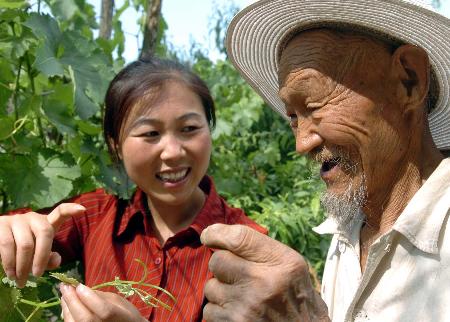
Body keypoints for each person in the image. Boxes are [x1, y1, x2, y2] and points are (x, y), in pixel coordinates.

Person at [200, 0, 450, 321]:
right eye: (293, 117)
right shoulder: (348, 232)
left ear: (408, 81)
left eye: (315, 104)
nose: (302, 143)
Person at [0, 56, 266, 321]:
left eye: (189, 128)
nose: (173, 152)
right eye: (150, 133)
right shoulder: (94, 215)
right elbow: (25, 235)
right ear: (116, 145)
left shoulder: (249, 247)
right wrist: (14, 228)